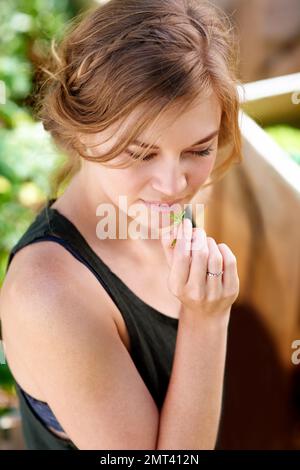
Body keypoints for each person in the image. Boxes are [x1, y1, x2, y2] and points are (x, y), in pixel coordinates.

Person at [0, 0, 241, 450]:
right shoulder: (48, 294)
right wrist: (206, 322)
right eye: (140, 153)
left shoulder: (147, 203)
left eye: (198, 150)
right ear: (80, 132)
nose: (174, 184)